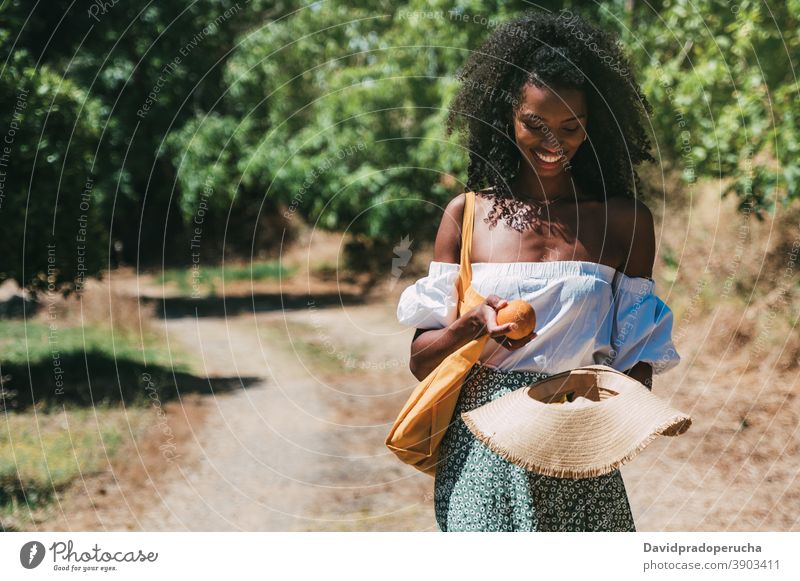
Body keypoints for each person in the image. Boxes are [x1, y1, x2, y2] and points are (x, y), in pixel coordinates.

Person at [396, 10, 681, 532]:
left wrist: (603, 414)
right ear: (506, 115)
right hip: (482, 445)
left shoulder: (624, 222)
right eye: (536, 123)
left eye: (572, 127)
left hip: (580, 443)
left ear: (593, 126)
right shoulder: (467, 215)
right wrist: (474, 323)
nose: (554, 142)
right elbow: (420, 362)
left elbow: (639, 359)